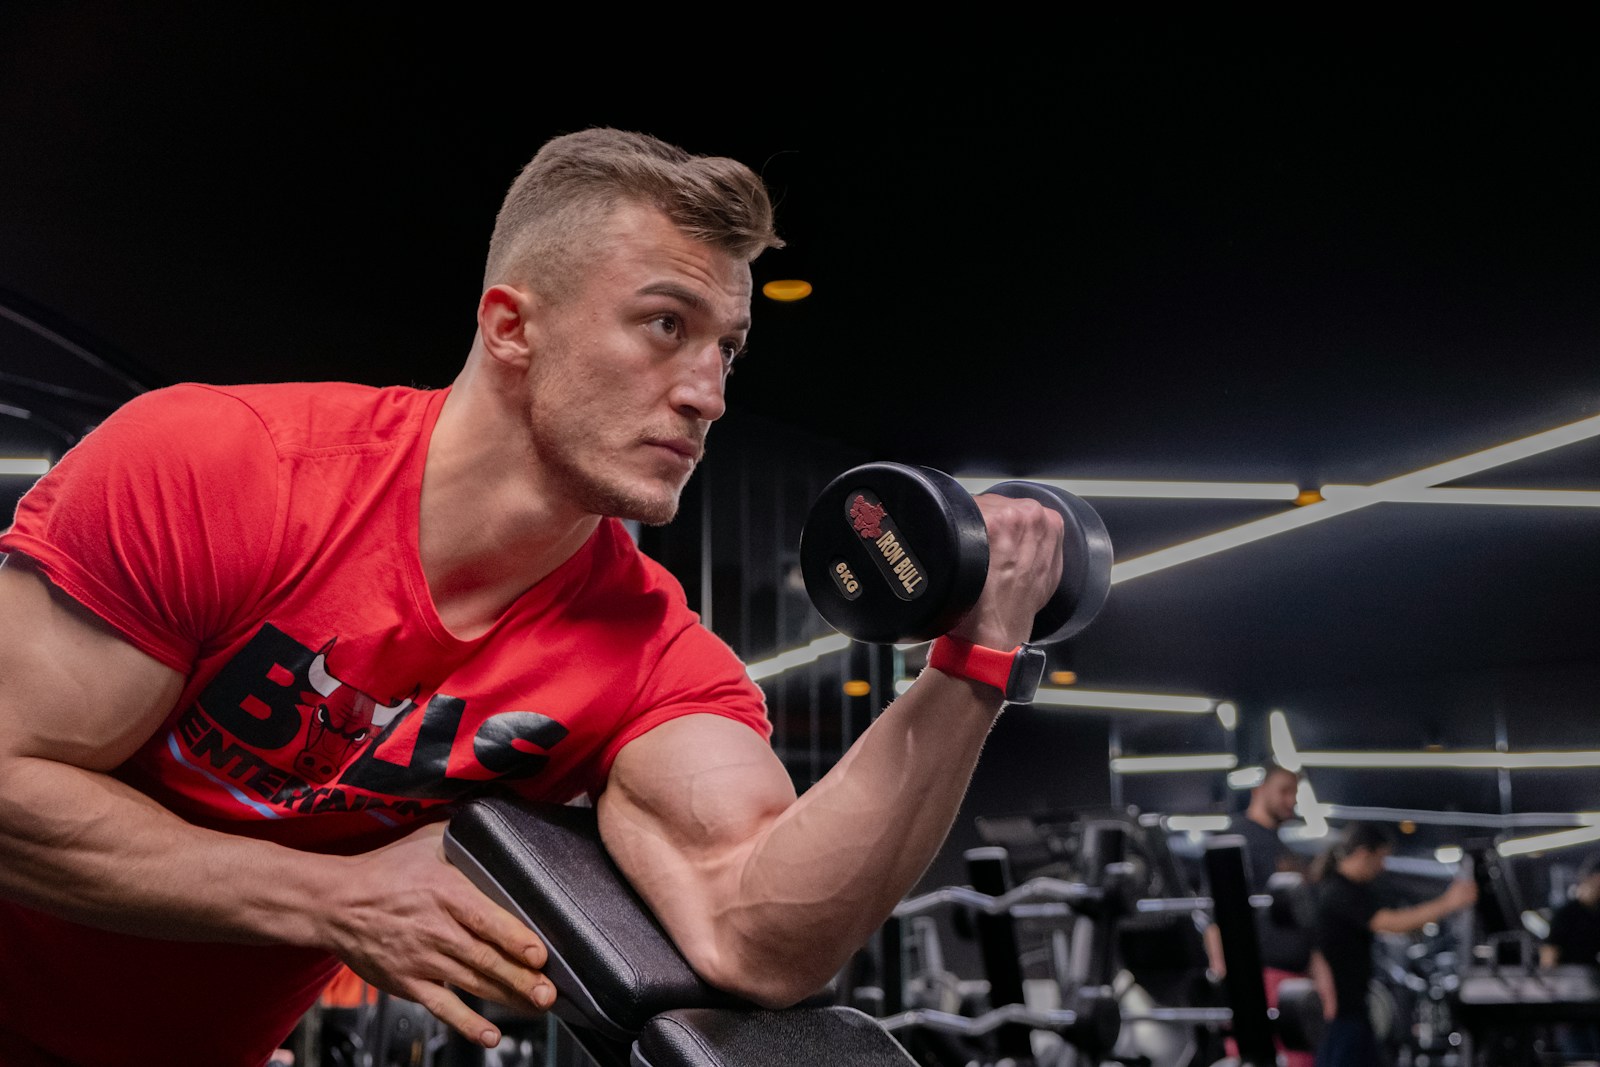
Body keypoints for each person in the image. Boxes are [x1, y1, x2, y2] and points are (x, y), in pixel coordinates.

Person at [0, 128, 1068, 1066]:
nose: (708, 391)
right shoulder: (224, 468)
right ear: (513, 326)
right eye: (664, 324)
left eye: (727, 348)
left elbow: (758, 934)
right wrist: (334, 895)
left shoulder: (647, 653)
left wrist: (972, 665)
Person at [1312, 822, 1477, 1067]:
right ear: (1363, 853)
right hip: (1341, 1011)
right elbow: (1390, 922)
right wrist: (1448, 902)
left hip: (1354, 1007)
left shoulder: (1353, 890)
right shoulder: (1339, 891)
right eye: (1380, 859)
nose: (1382, 867)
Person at [1204, 759, 1319, 1067]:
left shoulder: (1282, 847)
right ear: (1259, 790)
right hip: (1260, 978)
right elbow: (1215, 917)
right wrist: (1225, 980)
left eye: (1294, 793)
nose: (1290, 800)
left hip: (1293, 980)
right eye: (1283, 791)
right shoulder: (1237, 839)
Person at [1541, 852, 1600, 1059]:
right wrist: (1551, 996)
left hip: (1593, 997)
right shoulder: (1566, 914)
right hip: (1568, 998)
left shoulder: (1597, 914)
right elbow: (1549, 955)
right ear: (1592, 877)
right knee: (1578, 1056)